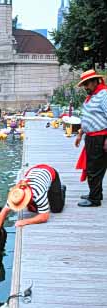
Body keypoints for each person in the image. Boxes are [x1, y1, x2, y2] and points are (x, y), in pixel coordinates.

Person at [0, 164, 65, 234]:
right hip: (33, 171)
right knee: (33, 209)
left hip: (49, 172)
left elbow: (44, 217)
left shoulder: (38, 193)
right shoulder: (16, 194)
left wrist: (25, 221)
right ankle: (46, 196)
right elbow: (4, 211)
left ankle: (61, 190)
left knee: (56, 209)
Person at [75, 69, 107, 207]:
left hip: (100, 137)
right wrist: (80, 133)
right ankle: (95, 193)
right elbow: (89, 118)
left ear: (95, 81)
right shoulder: (93, 96)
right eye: (84, 85)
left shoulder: (103, 95)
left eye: (87, 84)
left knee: (94, 169)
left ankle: (94, 199)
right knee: (92, 167)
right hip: (91, 137)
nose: (85, 87)